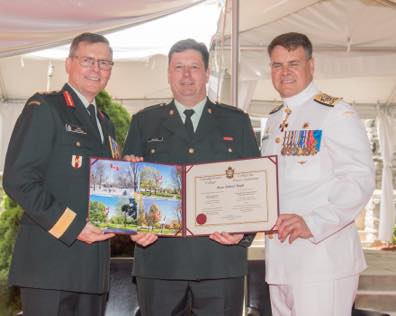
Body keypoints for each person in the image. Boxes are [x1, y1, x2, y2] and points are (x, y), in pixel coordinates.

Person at [123, 39, 260, 316]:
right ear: (169, 74)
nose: (186, 75)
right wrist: (132, 226)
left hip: (220, 259)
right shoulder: (144, 122)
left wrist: (243, 234)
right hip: (159, 260)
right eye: (179, 67)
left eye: (194, 67)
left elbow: (254, 186)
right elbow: (127, 190)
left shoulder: (236, 121)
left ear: (208, 73)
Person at [261, 32, 375, 316]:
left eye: (293, 63)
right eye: (277, 65)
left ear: (311, 65)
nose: (284, 72)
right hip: (280, 261)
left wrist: (313, 222)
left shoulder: (336, 112)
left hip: (322, 259)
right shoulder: (274, 119)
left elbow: (358, 179)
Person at [3, 32, 117, 316]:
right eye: (88, 60)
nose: (96, 69)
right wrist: (73, 226)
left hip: (93, 269)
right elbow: (18, 179)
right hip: (49, 266)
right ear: (68, 63)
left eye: (104, 63)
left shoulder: (106, 123)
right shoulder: (45, 108)